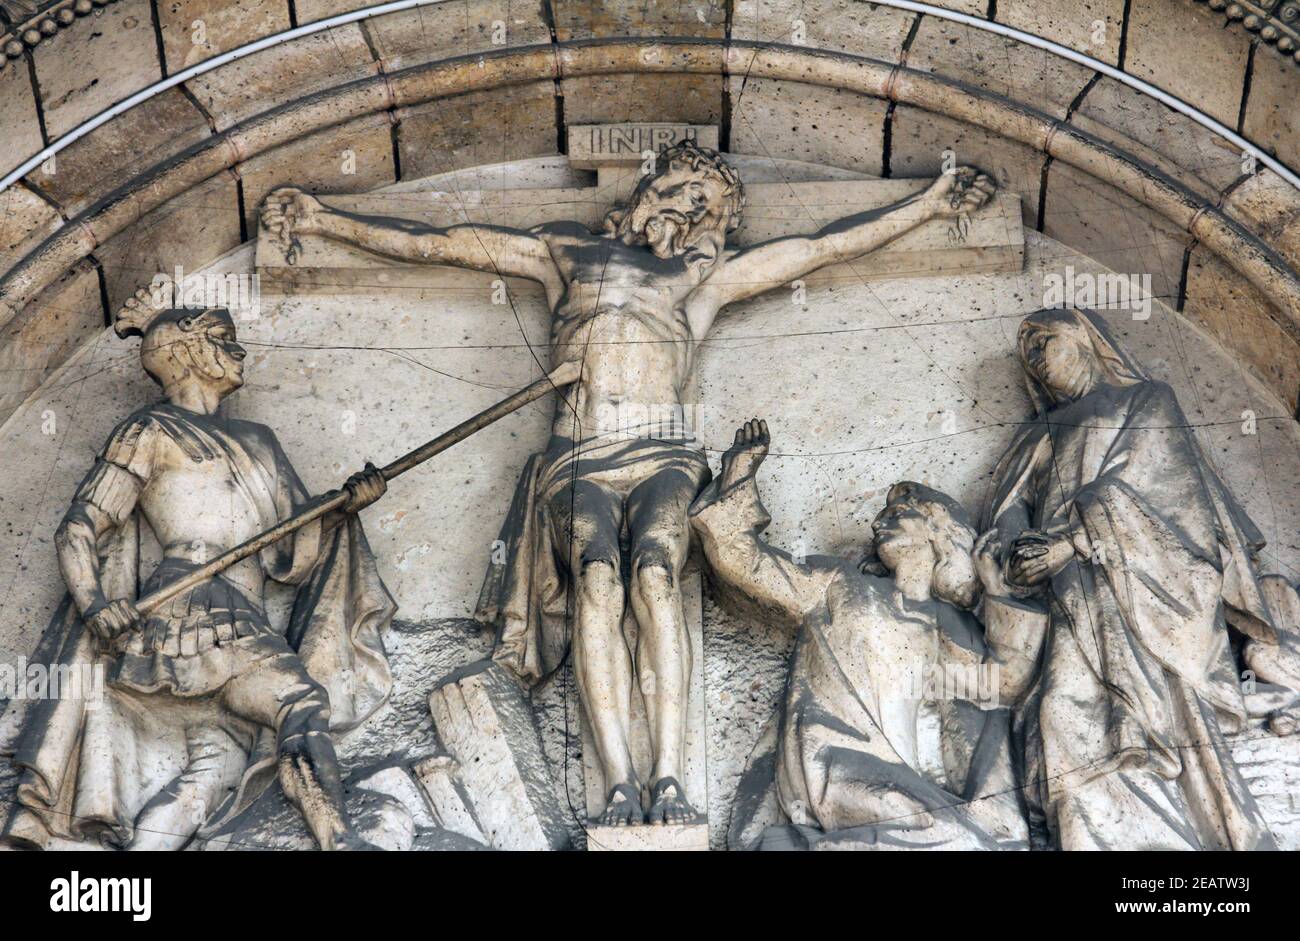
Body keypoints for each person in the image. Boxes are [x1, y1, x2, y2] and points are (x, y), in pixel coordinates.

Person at [262, 142, 996, 825]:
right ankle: (618, 780)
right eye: (678, 189)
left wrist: (928, 206)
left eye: (705, 205)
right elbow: (443, 241)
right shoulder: (566, 250)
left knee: (653, 572)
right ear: (647, 190)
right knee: (597, 580)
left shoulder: (698, 279)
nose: (688, 208)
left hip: (663, 452)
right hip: (577, 455)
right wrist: (327, 219)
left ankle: (668, 775)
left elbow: (816, 247)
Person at [2, 294, 393, 850]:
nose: (238, 351)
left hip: (246, 614)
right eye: (224, 339)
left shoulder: (261, 441)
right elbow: (80, 527)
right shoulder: (150, 431)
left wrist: (343, 505)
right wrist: (94, 604)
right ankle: (339, 841)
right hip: (184, 606)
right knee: (299, 702)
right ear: (188, 353)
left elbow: (290, 543)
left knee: (208, 780)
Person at [980, 307, 1284, 850]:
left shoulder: (1145, 400)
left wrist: (1071, 543)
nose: (1035, 358)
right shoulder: (1036, 433)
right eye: (1026, 352)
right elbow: (1010, 506)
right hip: (1061, 597)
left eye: (1043, 341)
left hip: (1135, 590)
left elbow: (1167, 498)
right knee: (1058, 716)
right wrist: (1017, 552)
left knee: (1130, 719)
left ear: (1084, 341)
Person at [692, 420, 1027, 850]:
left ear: (937, 531)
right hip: (831, 758)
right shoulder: (841, 584)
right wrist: (739, 472)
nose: (878, 522)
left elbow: (1002, 687)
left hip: (906, 776)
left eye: (898, 514)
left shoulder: (949, 625)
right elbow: (745, 563)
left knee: (959, 832)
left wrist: (998, 589)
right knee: (946, 831)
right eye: (883, 514)